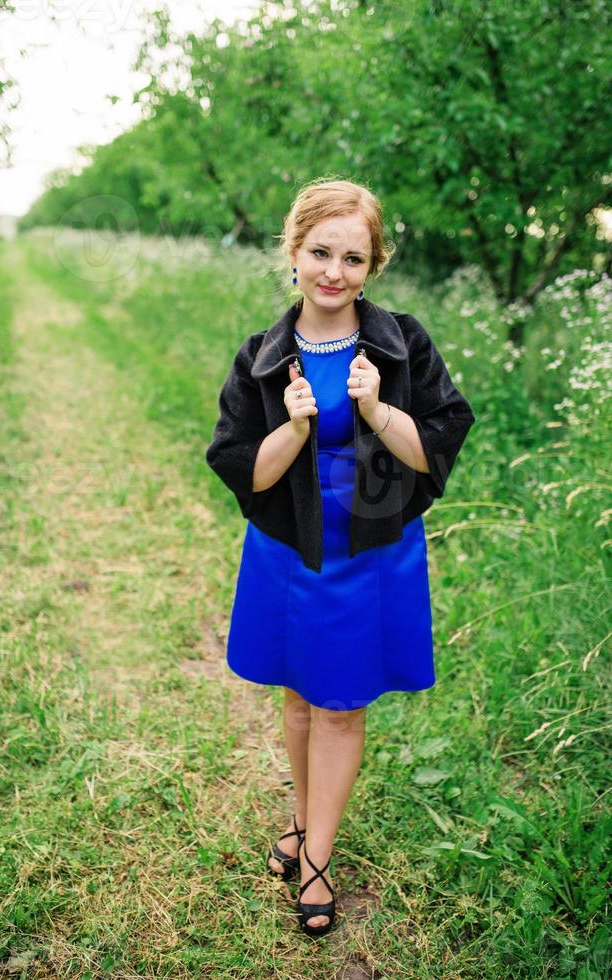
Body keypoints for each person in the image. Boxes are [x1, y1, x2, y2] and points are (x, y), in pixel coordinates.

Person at [205, 178, 476, 937]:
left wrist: (376, 408)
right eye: (320, 252)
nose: (334, 271)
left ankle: (316, 857)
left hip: (369, 547)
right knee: (298, 697)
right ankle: (300, 818)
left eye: (353, 257)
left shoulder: (401, 344)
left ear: (373, 265)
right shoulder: (262, 356)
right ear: (293, 253)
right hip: (290, 545)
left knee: (342, 703)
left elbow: (431, 455)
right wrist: (292, 429)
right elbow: (245, 472)